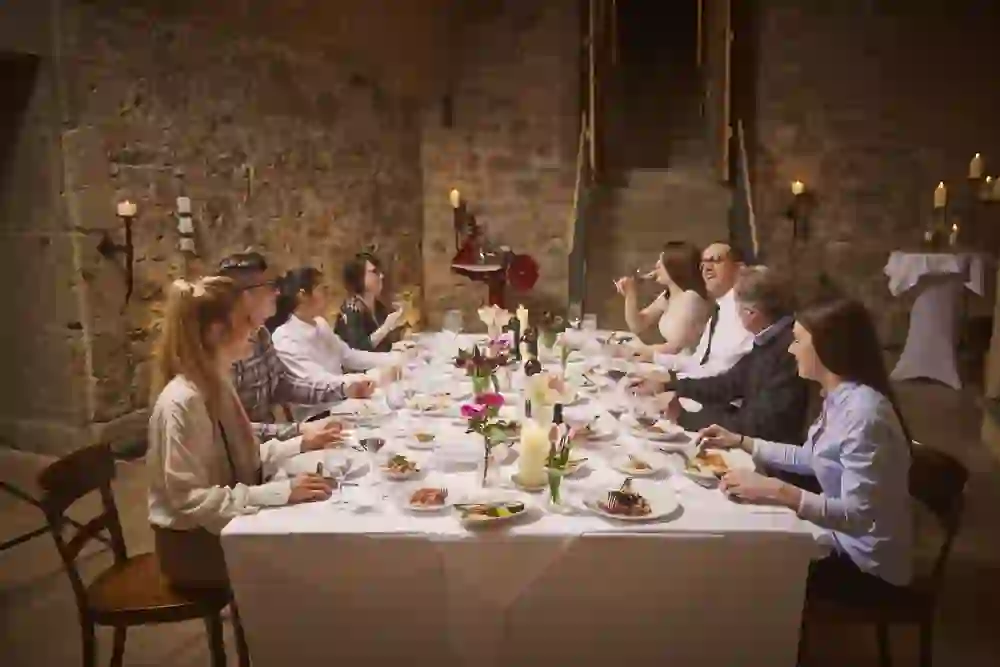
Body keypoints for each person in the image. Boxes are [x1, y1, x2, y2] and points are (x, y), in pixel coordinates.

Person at [698, 297, 914, 597]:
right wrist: (742, 442)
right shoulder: (841, 396)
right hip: (838, 538)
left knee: (738, 563)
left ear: (827, 347)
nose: (790, 349)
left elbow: (858, 516)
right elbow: (812, 457)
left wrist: (776, 490)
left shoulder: (864, 415)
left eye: (798, 340)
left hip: (864, 565)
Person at [147, 277, 334, 588]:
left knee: (319, 511)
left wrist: (302, 443)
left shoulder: (215, 379)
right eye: (247, 321)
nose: (258, 330)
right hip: (191, 548)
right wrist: (279, 492)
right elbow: (191, 499)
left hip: (215, 528)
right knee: (312, 558)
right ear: (216, 332)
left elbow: (241, 456)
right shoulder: (184, 400)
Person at [219, 252, 373, 446]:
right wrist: (298, 431)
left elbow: (283, 385)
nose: (277, 293)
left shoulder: (261, 335)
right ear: (245, 296)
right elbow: (231, 430)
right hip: (249, 456)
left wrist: (343, 389)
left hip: (271, 449)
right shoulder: (220, 350)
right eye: (269, 286)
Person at [650, 266, 810, 445]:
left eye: (738, 308)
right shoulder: (769, 339)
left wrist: (686, 418)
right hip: (749, 439)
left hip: (771, 459)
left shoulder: (788, 350)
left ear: (751, 314)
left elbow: (761, 425)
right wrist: (669, 386)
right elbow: (728, 384)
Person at [269, 266, 401, 389]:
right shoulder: (285, 338)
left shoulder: (320, 324)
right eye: (322, 289)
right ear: (302, 295)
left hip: (342, 399)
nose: (328, 294)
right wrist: (372, 378)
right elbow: (319, 381)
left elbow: (348, 355)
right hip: (318, 411)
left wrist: (394, 358)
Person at [652, 242, 754, 379]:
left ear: (739, 269)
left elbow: (724, 374)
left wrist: (673, 385)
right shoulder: (720, 310)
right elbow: (698, 361)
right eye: (703, 264)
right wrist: (654, 357)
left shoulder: (745, 312)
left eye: (715, 260)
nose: (707, 268)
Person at [613, 241, 712, 355]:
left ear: (676, 267)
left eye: (662, 262)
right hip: (668, 364)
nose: (657, 265)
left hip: (686, 368)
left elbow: (674, 348)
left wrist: (632, 351)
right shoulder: (669, 295)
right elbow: (638, 325)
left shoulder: (692, 299)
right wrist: (630, 295)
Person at [334, 252, 406, 352]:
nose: (381, 276)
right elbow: (358, 351)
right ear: (358, 277)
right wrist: (386, 327)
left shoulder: (379, 306)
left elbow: (384, 344)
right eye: (374, 272)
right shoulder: (351, 310)